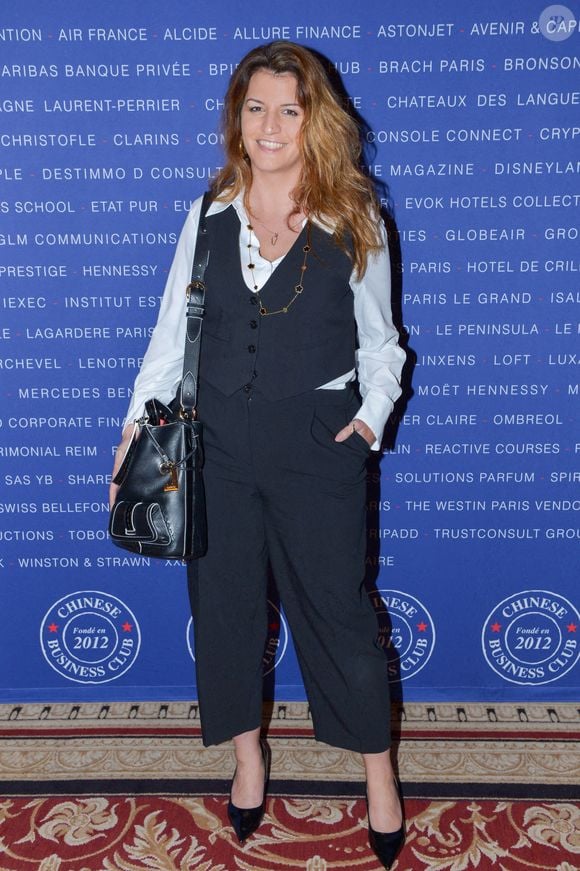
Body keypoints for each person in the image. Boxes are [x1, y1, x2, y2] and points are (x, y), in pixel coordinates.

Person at [110, 41, 406, 869]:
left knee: (339, 616)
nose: (269, 126)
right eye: (255, 108)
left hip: (317, 448)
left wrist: (369, 418)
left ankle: (378, 775)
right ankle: (249, 760)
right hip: (216, 449)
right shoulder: (207, 214)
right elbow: (171, 336)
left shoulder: (355, 217)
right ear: (236, 118)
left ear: (315, 121)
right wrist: (136, 428)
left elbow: (383, 346)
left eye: (288, 109)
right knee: (229, 609)